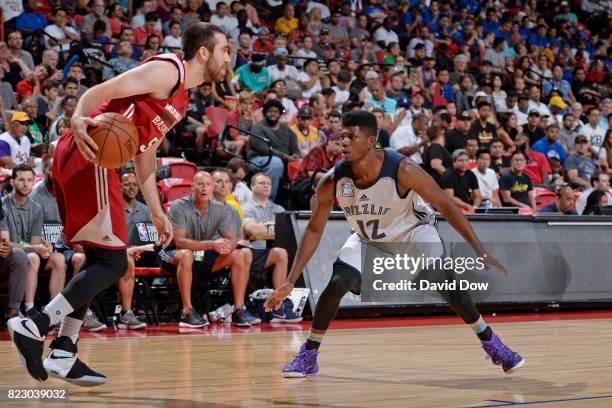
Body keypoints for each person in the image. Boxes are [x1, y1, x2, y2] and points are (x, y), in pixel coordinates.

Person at [7, 23, 230, 387]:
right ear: (204, 52)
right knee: (113, 260)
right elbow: (99, 90)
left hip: (92, 161)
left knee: (99, 259)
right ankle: (35, 324)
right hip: (88, 153)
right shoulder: (168, 70)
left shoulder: (182, 98)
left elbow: (146, 152)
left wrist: (156, 210)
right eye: (224, 50)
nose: (228, 58)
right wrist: (77, 118)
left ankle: (64, 350)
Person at [264, 111, 523, 377]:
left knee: (443, 281)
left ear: (370, 141)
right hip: (370, 239)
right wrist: (291, 280)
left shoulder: (403, 169)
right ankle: (309, 354)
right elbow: (315, 228)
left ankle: (492, 343)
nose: (343, 142)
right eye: (341, 137)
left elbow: (446, 206)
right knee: (337, 282)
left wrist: (481, 251)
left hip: (413, 232)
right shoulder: (333, 180)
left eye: (351, 137)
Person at [159, 171, 253, 328]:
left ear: (212, 188)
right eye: (200, 184)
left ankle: (238, 308)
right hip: (172, 254)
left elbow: (232, 238)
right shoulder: (179, 206)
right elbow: (180, 242)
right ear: (192, 187)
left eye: (208, 185)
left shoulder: (219, 209)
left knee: (241, 254)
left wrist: (228, 246)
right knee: (186, 254)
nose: (204, 188)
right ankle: (187, 311)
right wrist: (212, 244)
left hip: (200, 256)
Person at [2, 165, 66, 316]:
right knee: (30, 257)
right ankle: (29, 308)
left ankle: (54, 312)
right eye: (21, 180)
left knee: (59, 258)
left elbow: (35, 241)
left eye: (30, 180)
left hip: (25, 253)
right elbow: (5, 243)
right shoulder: (2, 206)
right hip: (6, 256)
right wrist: (35, 247)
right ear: (12, 183)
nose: (26, 184)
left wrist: (44, 246)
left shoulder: (36, 208)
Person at [248, 99, 300, 201]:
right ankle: (268, 201)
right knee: (276, 163)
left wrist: (295, 155)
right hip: (258, 158)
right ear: (265, 113)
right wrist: (285, 156)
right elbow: (263, 149)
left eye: (276, 112)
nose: (273, 114)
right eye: (270, 111)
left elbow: (295, 149)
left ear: (280, 114)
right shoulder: (258, 127)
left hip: (284, 160)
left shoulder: (288, 131)